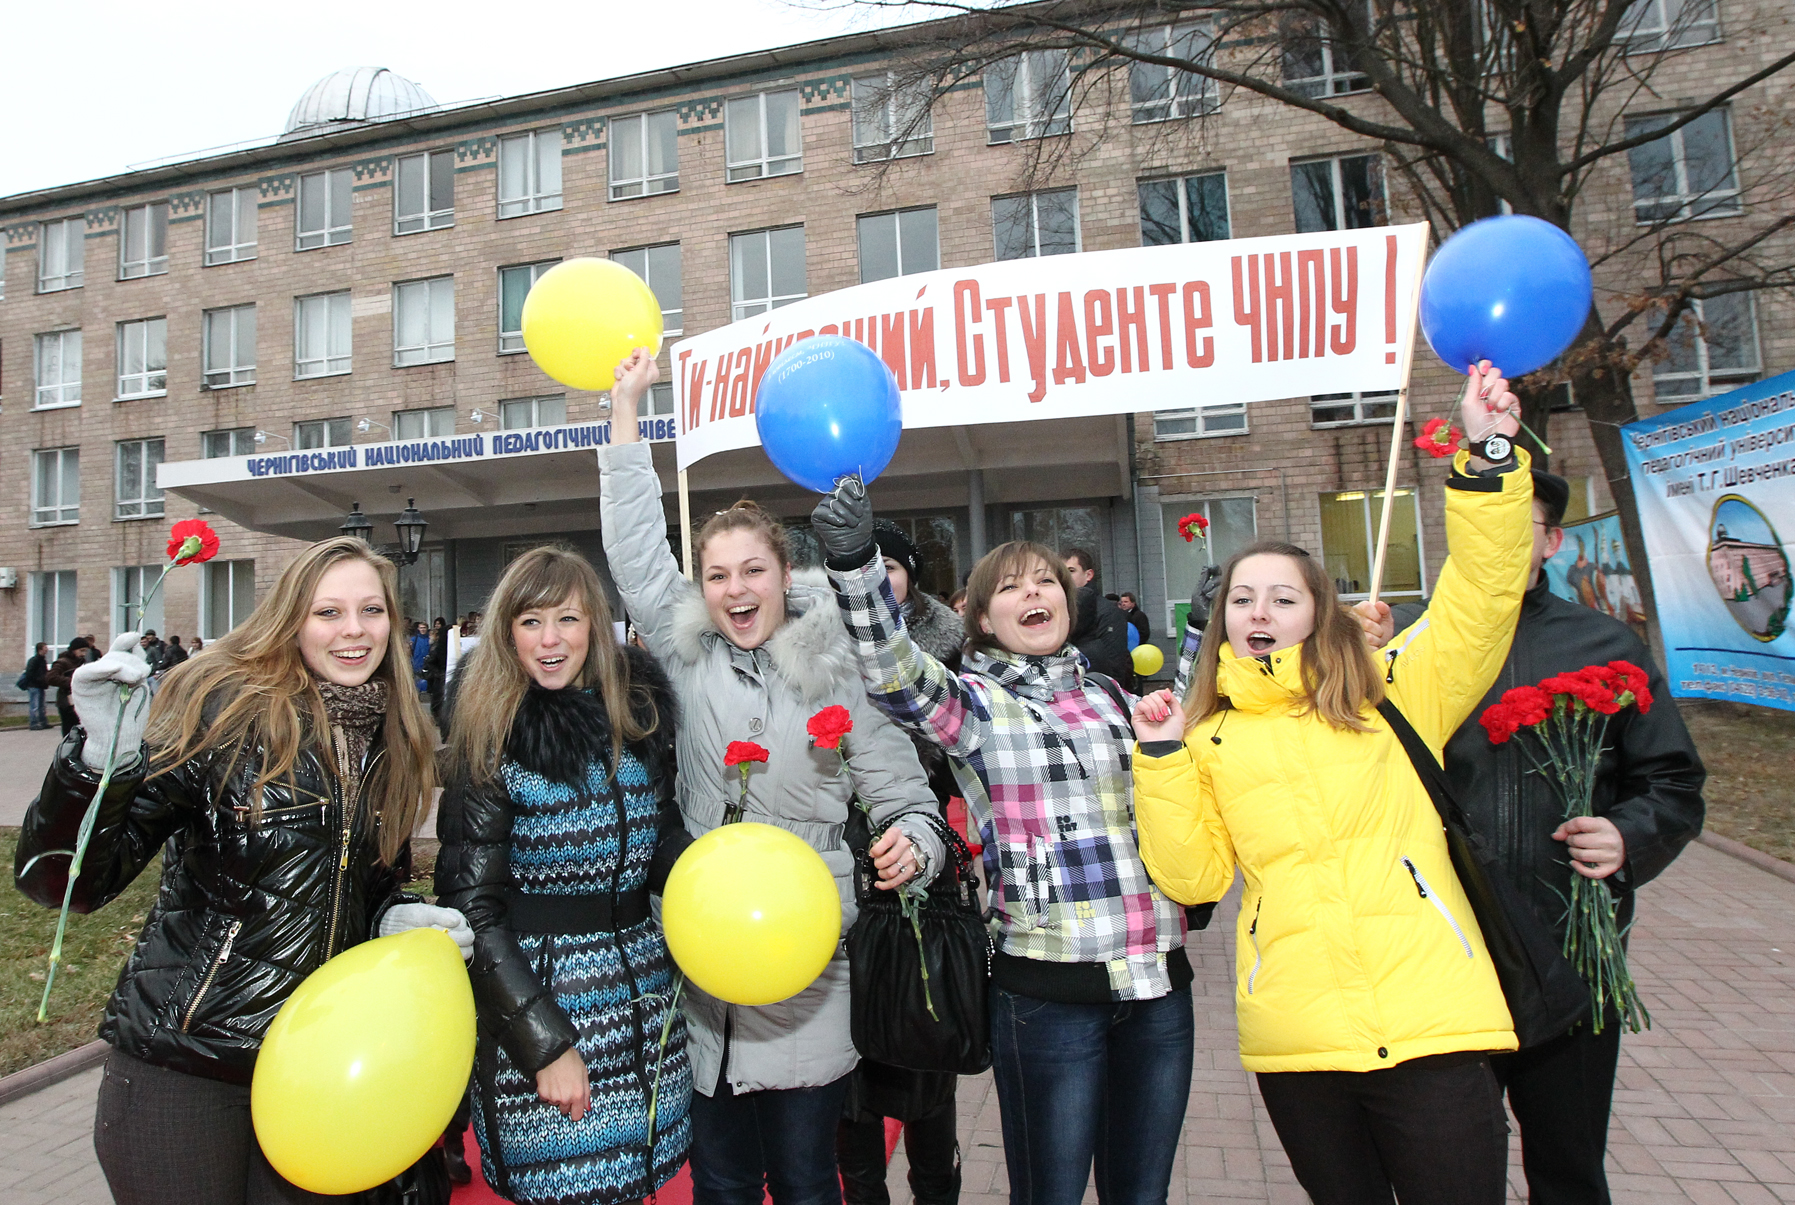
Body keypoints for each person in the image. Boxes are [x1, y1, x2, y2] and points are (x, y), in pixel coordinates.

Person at [1128, 363, 1532, 1205]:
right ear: (1221, 619)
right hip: (1298, 1037)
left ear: (1318, 611)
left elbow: (1480, 599)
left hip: (1431, 1022)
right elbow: (1192, 879)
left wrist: (1489, 456)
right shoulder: (1205, 737)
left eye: (1282, 597)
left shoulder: (1392, 691)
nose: (1259, 611)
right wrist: (1160, 759)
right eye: (1242, 598)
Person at [13, 536, 468, 1205]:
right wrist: (99, 762)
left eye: (371, 610)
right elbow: (66, 883)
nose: (353, 629)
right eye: (328, 612)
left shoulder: (389, 738)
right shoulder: (223, 715)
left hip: (314, 1067)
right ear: (291, 621)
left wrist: (387, 917)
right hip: (188, 1065)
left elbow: (344, 888)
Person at [601, 348, 944, 1205]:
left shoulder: (841, 663)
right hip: (703, 956)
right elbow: (637, 550)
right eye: (716, 575)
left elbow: (906, 798)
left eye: (752, 569)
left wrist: (913, 846)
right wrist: (626, 411)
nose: (735, 589)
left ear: (786, 575)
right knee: (719, 1180)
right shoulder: (685, 651)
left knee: (803, 1177)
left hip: (808, 961)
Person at [811, 487, 1194, 1205]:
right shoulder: (975, 705)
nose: (1033, 592)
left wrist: (1200, 631)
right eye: (1011, 587)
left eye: (1045, 580)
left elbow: (1195, 764)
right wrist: (858, 562)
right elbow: (892, 670)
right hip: (1049, 998)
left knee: (1142, 1195)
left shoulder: (1116, 699)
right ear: (983, 619)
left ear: (1068, 604)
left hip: (1157, 989)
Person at [1372, 469, 1706, 1205]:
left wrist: (1627, 835)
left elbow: (1674, 781)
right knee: (1449, 1172)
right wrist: (1354, 664)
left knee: (1568, 1169)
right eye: (1480, 521)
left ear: (1551, 543)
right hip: (1450, 949)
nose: (1493, 535)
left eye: (1514, 523)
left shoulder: (1605, 642)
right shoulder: (1409, 642)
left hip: (1572, 947)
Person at [436, 545, 693, 1205]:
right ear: (506, 633)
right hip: (542, 1013)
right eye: (531, 621)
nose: (550, 640)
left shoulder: (634, 717)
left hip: (645, 1008)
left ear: (595, 627)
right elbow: (472, 912)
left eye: (567, 619)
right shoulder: (489, 736)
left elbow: (659, 840)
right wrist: (545, 1046)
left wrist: (715, 868)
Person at [835, 521, 965, 1205]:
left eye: (890, 565)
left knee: (923, 1041)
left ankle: (935, 1184)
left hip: (919, 850)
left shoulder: (943, 643)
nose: (879, 577)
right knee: (853, 1059)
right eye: (869, 565)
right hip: (846, 853)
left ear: (911, 575)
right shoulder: (821, 644)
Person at [1062, 549, 1132, 683]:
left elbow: (1115, 662)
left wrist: (1109, 690)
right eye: (1061, 571)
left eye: (1071, 571)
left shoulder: (1108, 612)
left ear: (1088, 575)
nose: (1064, 577)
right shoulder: (1059, 608)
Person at [47, 638, 90, 736]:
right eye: (81, 650)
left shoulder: (84, 663)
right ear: (73, 650)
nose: (83, 654)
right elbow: (51, 677)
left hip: (81, 700)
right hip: (67, 702)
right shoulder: (62, 662)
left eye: (85, 651)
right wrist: (73, 682)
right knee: (70, 732)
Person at [25, 642, 50, 730]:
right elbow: (29, 674)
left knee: (41, 705)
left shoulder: (43, 660)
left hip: (40, 686)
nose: (47, 650)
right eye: (45, 648)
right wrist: (40, 679)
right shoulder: (34, 660)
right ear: (40, 649)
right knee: (35, 706)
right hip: (34, 686)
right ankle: (33, 723)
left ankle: (43, 722)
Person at [409, 621, 431, 695]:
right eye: (421, 628)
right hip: (416, 664)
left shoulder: (430, 638)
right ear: (418, 629)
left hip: (427, 665)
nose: (422, 629)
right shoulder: (414, 639)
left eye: (424, 628)